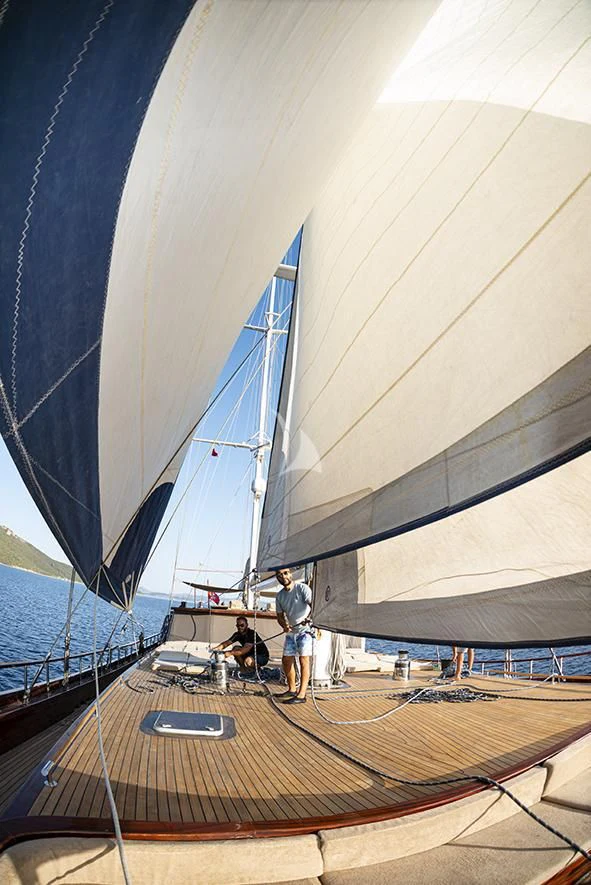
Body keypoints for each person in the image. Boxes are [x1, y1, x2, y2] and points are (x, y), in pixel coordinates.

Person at [275, 567, 313, 704]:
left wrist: (308, 618)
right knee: (286, 660)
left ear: (290, 574)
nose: (282, 576)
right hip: (291, 632)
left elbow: (313, 606)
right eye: (279, 574)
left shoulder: (302, 589)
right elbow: (279, 616)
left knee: (304, 661)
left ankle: (302, 695)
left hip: (305, 631)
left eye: (285, 573)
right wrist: (284, 625)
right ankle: (291, 689)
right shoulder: (279, 596)